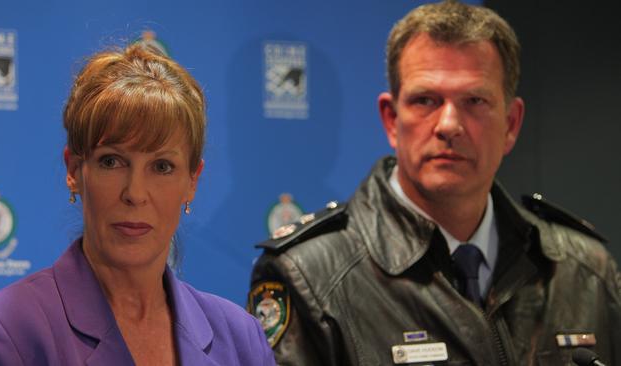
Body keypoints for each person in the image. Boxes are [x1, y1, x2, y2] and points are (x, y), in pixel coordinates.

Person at [248, 1, 621, 365]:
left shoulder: (584, 271)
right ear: (392, 120)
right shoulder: (311, 276)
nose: (448, 125)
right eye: (426, 100)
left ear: (511, 124)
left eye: (474, 100)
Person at [0, 44, 275, 366]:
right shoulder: (4, 331)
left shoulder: (242, 339)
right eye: (112, 161)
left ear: (192, 182)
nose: (135, 193)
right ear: (74, 170)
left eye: (161, 167)